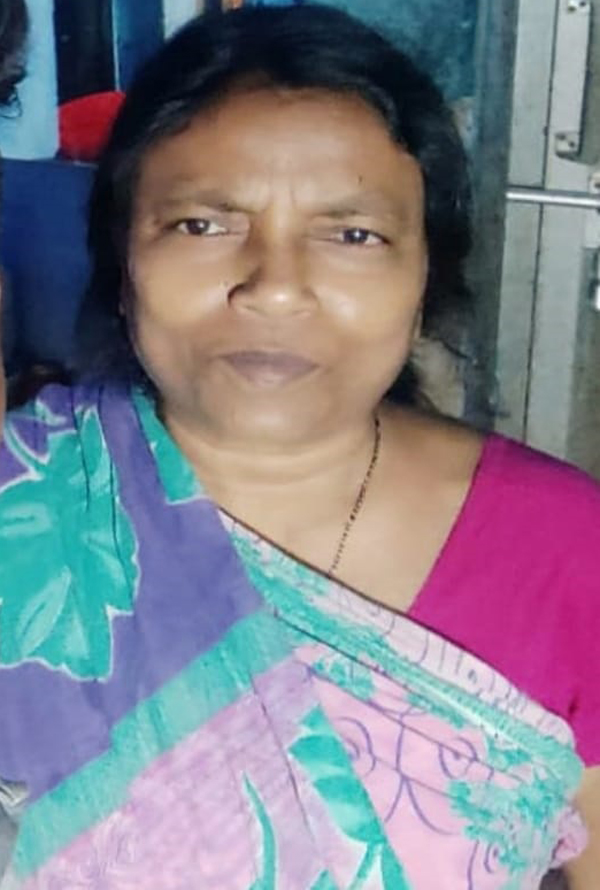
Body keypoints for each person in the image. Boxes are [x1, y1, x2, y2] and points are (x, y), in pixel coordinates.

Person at [0, 4, 598, 888]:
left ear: (425, 278)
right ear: (122, 265)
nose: (274, 289)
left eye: (353, 234)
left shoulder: (567, 548)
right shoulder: (22, 505)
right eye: (201, 225)